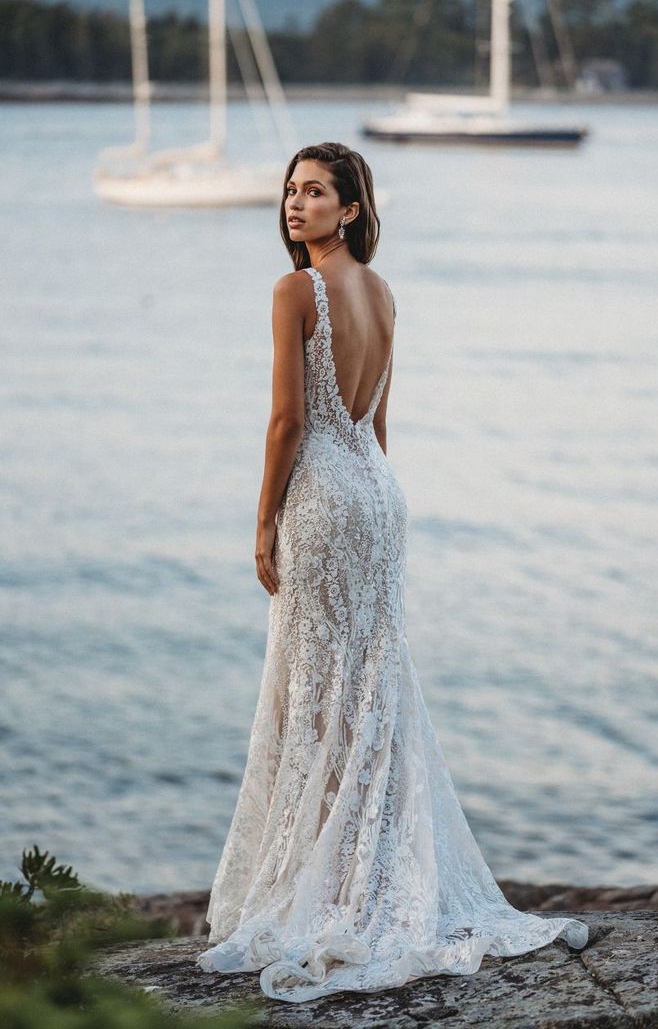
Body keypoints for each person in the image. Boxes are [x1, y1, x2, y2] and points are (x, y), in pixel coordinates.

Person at [195, 142, 589, 1003]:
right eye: (291, 190)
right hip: (378, 496)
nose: (296, 205)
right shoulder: (384, 294)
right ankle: (363, 882)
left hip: (328, 497)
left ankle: (334, 893)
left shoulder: (297, 290)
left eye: (316, 193)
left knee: (318, 689)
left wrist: (263, 520)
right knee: (369, 688)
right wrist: (374, 506)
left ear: (351, 208)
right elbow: (379, 426)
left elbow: (287, 421)